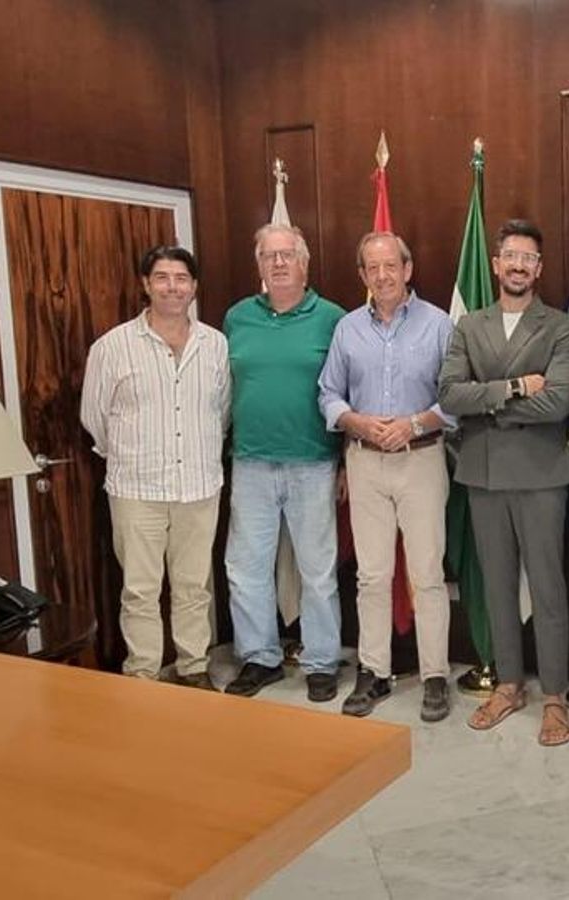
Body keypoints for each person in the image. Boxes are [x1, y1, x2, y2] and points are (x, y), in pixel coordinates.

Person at [438, 219, 569, 746]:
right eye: (511, 257)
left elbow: (558, 403)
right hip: (483, 473)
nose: (519, 266)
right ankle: (508, 684)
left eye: (529, 258)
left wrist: (488, 401)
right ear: (496, 264)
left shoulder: (561, 326)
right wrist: (517, 387)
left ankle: (555, 698)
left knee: (547, 588)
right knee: (496, 586)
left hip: (542, 474)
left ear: (539, 269)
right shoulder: (469, 326)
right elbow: (450, 395)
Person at [318, 232, 455, 722]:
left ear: (408, 268)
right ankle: (373, 672)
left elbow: (456, 399)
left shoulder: (439, 325)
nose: (382, 276)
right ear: (362, 276)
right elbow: (328, 394)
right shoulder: (347, 329)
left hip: (421, 459)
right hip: (364, 461)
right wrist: (353, 420)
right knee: (372, 575)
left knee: (428, 574)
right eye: (372, 269)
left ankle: (434, 675)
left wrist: (414, 424)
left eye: (390, 266)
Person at [80, 245, 230, 689]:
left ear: (194, 286)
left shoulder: (214, 344)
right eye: (162, 278)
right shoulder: (112, 347)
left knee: (193, 586)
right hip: (137, 489)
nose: (172, 287)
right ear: (145, 285)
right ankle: (142, 673)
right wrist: (132, 454)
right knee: (140, 590)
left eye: (181, 278)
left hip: (199, 486)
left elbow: (220, 414)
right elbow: (95, 418)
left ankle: (193, 666)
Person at [222, 223, 347, 703]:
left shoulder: (332, 318)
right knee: (245, 567)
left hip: (313, 461)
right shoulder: (237, 318)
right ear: (258, 265)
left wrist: (341, 464)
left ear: (304, 263)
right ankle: (260, 658)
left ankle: (320, 662)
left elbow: (345, 392)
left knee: (317, 570)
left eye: (287, 255)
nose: (278, 263)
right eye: (269, 255)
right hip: (250, 461)